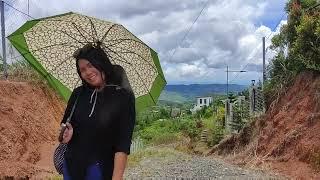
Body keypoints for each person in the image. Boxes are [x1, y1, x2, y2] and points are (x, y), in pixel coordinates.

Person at [60, 43, 136, 180]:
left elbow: (123, 144)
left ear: (101, 63)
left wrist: (117, 178)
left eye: (90, 65)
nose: (87, 72)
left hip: (99, 169)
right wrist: (66, 132)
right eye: (82, 70)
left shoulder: (123, 97)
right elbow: (66, 122)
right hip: (71, 166)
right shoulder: (78, 93)